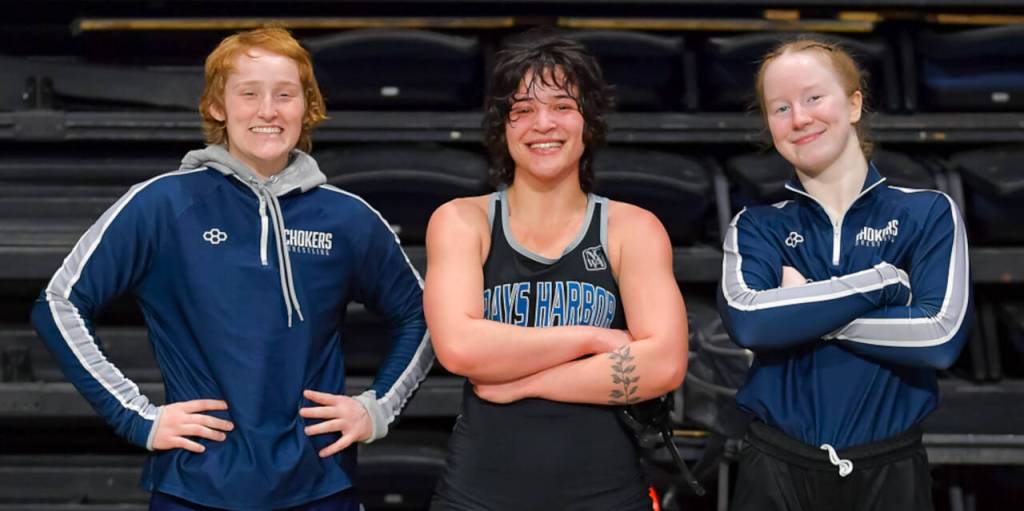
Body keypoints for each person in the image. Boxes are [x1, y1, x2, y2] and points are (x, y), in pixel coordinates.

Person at [30, 27, 432, 510]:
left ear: (307, 107)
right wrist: (137, 418)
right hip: (195, 486)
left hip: (320, 486)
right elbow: (59, 304)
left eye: (285, 95)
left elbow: (424, 313)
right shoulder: (164, 204)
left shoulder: (346, 217)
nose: (268, 111)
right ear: (218, 106)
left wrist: (378, 408)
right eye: (249, 93)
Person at [424, 33, 688, 511]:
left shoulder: (633, 228)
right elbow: (460, 347)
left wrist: (521, 383)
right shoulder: (462, 220)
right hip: (478, 495)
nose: (542, 124)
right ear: (502, 126)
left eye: (562, 106)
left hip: (606, 495)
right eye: (522, 109)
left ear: (588, 120)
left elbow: (664, 365)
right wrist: (593, 339)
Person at [718, 36, 972, 511]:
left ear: (854, 104)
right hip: (774, 467)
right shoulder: (757, 225)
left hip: (890, 469)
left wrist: (804, 305)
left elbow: (940, 337)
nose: (799, 118)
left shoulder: (928, 213)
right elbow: (750, 321)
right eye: (779, 108)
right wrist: (884, 284)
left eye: (814, 97)